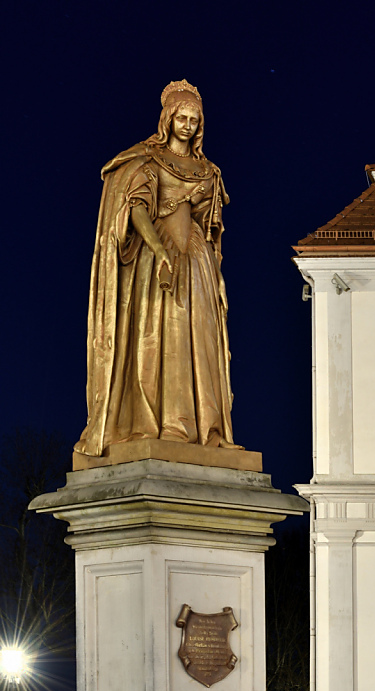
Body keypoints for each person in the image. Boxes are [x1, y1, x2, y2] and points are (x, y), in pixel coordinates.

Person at [75, 80, 238, 457]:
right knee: (159, 336)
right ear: (168, 118)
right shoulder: (147, 161)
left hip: (196, 258)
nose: (188, 125)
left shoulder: (208, 171)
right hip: (156, 256)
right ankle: (159, 424)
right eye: (181, 117)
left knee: (200, 336)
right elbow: (135, 208)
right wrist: (158, 249)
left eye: (194, 120)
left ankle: (201, 427)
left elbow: (210, 227)